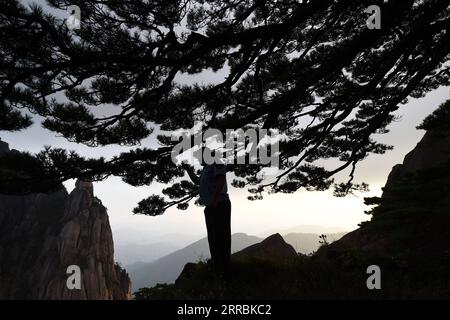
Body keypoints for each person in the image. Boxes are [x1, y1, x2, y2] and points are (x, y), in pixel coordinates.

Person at [183, 148, 231, 280]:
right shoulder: (206, 168)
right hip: (211, 206)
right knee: (213, 239)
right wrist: (188, 170)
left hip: (219, 205)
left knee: (221, 238)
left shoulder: (217, 162)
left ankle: (224, 271)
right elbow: (197, 182)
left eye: (200, 156)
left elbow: (221, 181)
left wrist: (214, 202)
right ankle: (218, 268)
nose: (199, 159)